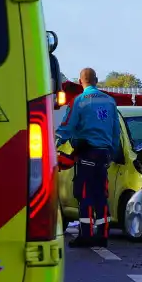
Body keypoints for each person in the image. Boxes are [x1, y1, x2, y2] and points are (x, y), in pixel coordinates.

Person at [56, 67, 121, 248]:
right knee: (101, 194)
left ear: (80, 81)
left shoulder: (79, 101)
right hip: (104, 154)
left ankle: (86, 235)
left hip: (86, 153)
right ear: (97, 80)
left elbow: (66, 128)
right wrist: (112, 153)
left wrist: (54, 144)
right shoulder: (110, 101)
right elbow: (116, 131)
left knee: (84, 194)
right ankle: (103, 234)